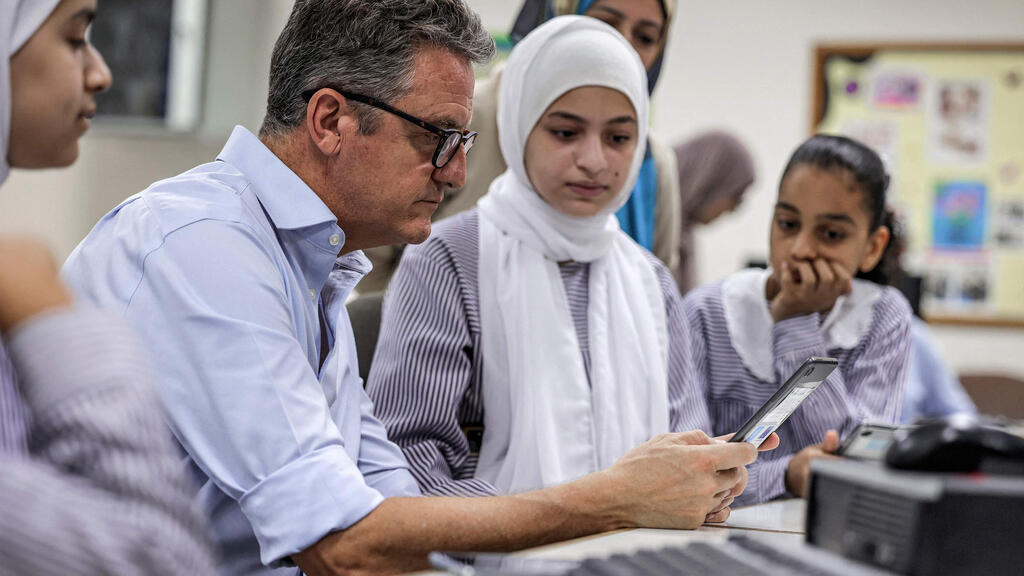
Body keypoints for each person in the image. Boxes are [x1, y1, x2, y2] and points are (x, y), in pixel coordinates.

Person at [63, 2, 765, 575]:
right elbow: (343, 545)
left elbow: (388, 503)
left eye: (462, 141)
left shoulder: (315, 265)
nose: (457, 174)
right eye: (440, 138)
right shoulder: (203, 245)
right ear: (331, 120)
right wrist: (611, 501)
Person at [366, 15, 722, 499]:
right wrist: (557, 521)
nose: (595, 160)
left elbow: (687, 442)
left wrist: (710, 480)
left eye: (619, 138)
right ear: (519, 125)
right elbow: (407, 458)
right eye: (565, 132)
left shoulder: (651, 280)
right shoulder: (449, 260)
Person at [0, 1, 216, 574]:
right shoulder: (20, 287)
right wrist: (51, 319)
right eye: (74, 39)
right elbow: (162, 559)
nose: (101, 72)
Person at [360, 0, 681, 292]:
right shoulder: (468, 118)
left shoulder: (652, 164)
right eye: (606, 23)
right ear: (559, 17)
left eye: (646, 37)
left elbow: (655, 287)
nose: (621, 45)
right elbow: (373, 255)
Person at [683, 134, 913, 504]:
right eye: (788, 224)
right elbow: (687, 474)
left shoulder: (884, 318)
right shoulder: (705, 313)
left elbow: (858, 465)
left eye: (832, 234)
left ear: (872, 247)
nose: (801, 249)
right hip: (718, 532)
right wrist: (786, 475)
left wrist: (796, 322)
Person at [673, 130, 757, 295]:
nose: (733, 210)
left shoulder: (681, 234)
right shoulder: (648, 227)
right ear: (708, 180)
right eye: (736, 196)